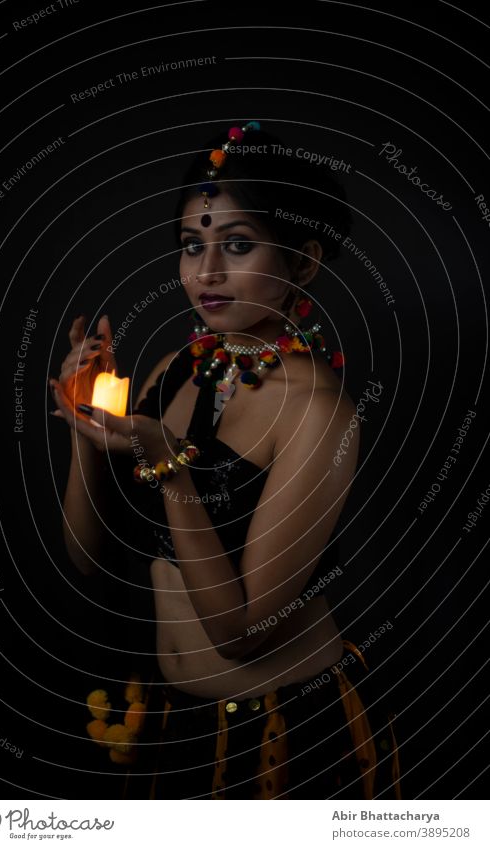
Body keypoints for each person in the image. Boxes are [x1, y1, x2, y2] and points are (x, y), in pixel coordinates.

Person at [49, 122, 401, 799]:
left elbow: (243, 634)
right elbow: (85, 557)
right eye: (191, 246)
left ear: (301, 262)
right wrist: (83, 422)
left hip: (289, 733)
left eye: (237, 245)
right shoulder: (170, 372)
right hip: (173, 725)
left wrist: (168, 462)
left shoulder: (318, 413)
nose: (205, 272)